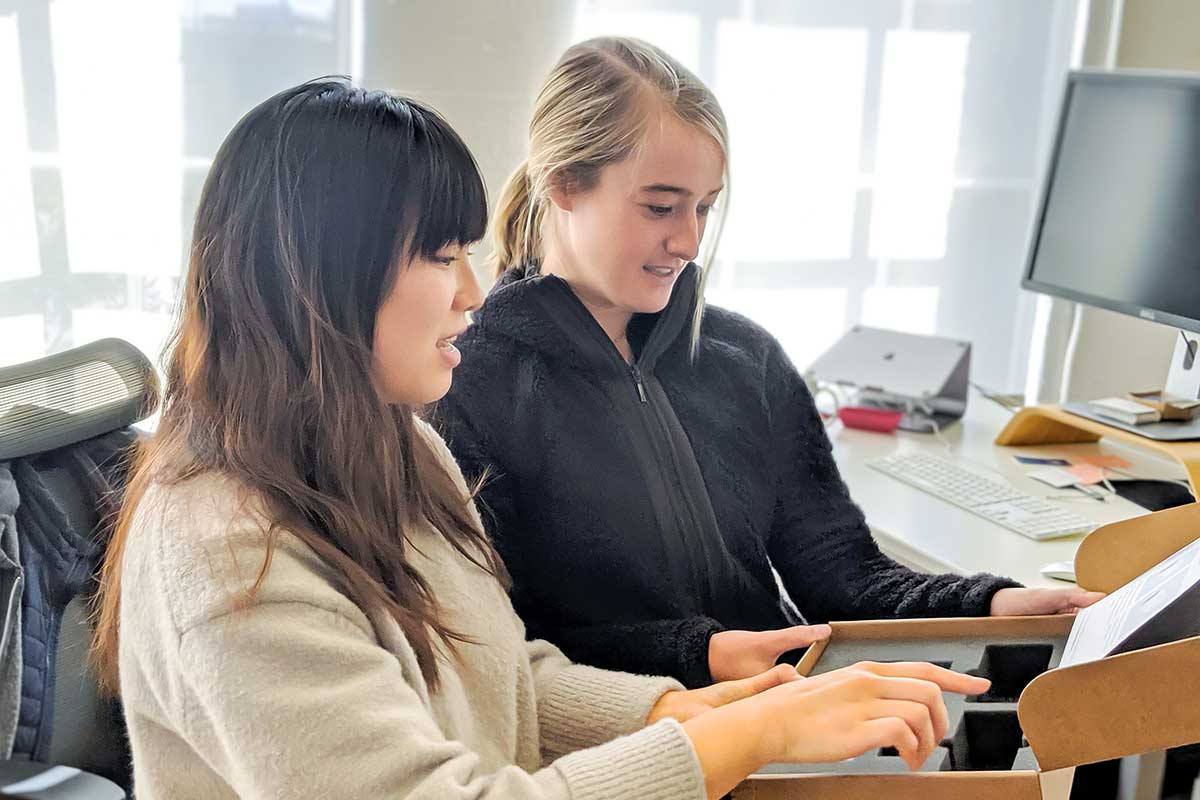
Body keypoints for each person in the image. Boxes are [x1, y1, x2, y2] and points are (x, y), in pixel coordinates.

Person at [89, 78, 989, 800]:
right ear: (317, 276)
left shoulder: (400, 449)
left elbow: (497, 674)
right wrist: (736, 738)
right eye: (441, 256)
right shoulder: (227, 555)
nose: (471, 292)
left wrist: (677, 709)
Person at [436, 37, 1102, 690]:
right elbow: (509, 648)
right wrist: (701, 655)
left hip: (788, 712)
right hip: (639, 739)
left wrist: (989, 604)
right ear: (563, 184)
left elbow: (844, 577)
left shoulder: (744, 358)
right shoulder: (464, 383)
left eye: (704, 207)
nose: (688, 240)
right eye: (660, 207)